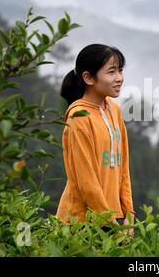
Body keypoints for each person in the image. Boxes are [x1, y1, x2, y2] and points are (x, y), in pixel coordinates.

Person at [56, 43, 135, 238]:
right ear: (88, 78)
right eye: (111, 72)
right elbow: (86, 180)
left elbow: (122, 165)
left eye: (120, 70)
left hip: (112, 219)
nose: (119, 78)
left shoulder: (113, 109)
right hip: (80, 224)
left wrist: (129, 214)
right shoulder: (79, 116)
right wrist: (111, 226)